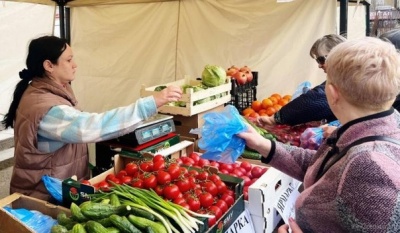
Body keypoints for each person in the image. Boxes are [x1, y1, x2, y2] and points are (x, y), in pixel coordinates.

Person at [237, 37, 400, 232]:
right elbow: (322, 166)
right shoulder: (368, 127)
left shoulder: (370, 167)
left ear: (332, 93)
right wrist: (263, 145)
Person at [1, 35, 183, 201]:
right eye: (69, 60)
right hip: (43, 195)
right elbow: (91, 126)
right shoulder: (46, 108)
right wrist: (149, 104)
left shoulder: (49, 90)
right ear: (49, 66)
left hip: (58, 186)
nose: (75, 65)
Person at [258, 34, 347, 127]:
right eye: (318, 61)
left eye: (321, 60)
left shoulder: (347, 79)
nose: (319, 65)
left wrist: (275, 119)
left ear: (337, 55)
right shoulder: (346, 75)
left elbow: (316, 99)